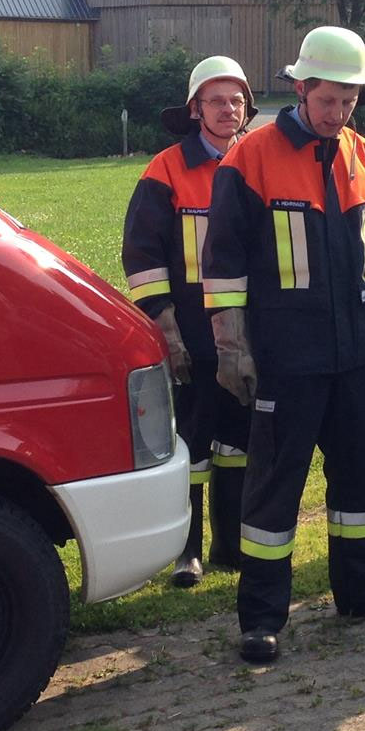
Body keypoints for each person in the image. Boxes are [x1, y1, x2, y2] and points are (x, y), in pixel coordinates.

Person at [202, 26, 365, 664]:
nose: (338, 113)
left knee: (358, 477)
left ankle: (361, 592)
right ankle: (261, 617)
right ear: (301, 89)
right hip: (285, 356)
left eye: (350, 101)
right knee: (275, 488)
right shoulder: (250, 157)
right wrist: (231, 345)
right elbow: (223, 261)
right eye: (328, 100)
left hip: (353, 353)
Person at [122, 56, 258, 586]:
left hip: (247, 332)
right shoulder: (167, 170)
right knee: (194, 446)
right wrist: (166, 325)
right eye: (217, 100)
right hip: (196, 338)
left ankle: (231, 544)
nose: (228, 109)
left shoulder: (255, 161)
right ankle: (188, 551)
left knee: (240, 442)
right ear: (196, 108)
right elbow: (143, 254)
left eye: (236, 100)